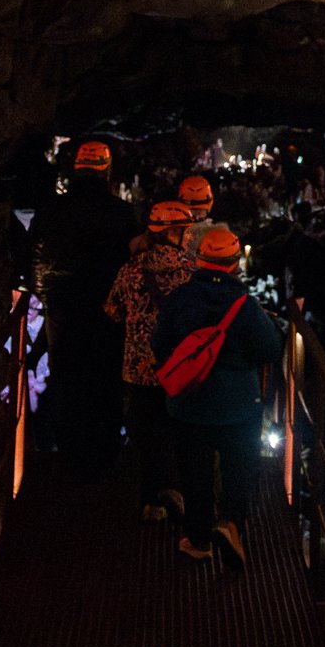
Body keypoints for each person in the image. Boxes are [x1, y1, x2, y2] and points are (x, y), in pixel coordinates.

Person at [151, 224, 282, 569]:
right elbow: (269, 347)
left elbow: (159, 344)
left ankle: (198, 540)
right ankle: (232, 524)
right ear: (235, 264)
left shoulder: (178, 300)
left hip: (188, 405)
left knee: (195, 474)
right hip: (238, 407)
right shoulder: (246, 307)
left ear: (199, 260)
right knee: (238, 469)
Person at [36, 139, 139, 475]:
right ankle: (104, 455)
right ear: (107, 170)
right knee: (106, 379)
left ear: (76, 169)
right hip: (107, 310)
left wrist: (44, 291)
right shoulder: (122, 213)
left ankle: (69, 453)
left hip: (64, 306)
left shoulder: (51, 210)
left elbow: (35, 257)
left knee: (66, 376)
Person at [105, 199, 197, 521]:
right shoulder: (190, 272)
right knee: (177, 432)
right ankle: (179, 492)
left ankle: (150, 502)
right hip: (179, 370)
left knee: (147, 437)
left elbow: (113, 310)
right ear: (173, 234)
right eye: (185, 231)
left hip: (139, 370)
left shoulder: (131, 270)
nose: (189, 236)